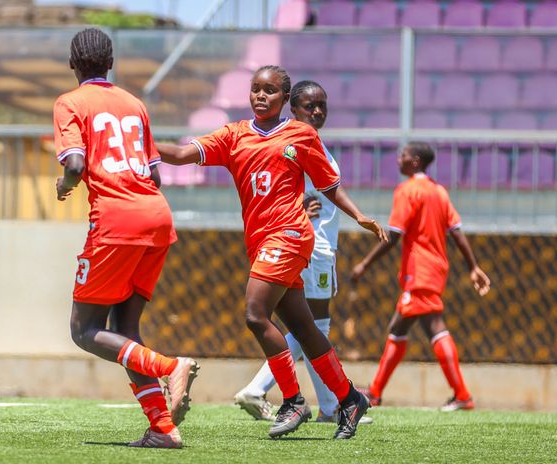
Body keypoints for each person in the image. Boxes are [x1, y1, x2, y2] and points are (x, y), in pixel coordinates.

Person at [158, 65, 387, 440]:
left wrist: (359, 215)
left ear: (284, 99)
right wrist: (143, 147)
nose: (260, 96)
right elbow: (184, 154)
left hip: (291, 237)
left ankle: (293, 400)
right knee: (303, 326)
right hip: (262, 242)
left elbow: (329, 185)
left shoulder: (300, 135)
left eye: (269, 91)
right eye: (255, 89)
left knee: (255, 313)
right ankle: (349, 399)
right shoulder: (233, 135)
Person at [53, 28, 198, 449]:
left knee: (84, 330)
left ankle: (170, 366)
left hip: (116, 222)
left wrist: (65, 184)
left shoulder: (70, 103)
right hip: (156, 218)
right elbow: (153, 172)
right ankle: (163, 429)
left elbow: (76, 164)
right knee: (125, 329)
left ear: (73, 64)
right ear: (111, 63)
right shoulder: (134, 104)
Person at [233, 80, 371, 425]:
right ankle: (268, 389)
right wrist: (300, 212)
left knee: (310, 323)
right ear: (292, 109)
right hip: (310, 244)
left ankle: (328, 405)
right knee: (311, 324)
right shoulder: (294, 141)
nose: (318, 111)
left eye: (322, 105)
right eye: (310, 105)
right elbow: (287, 186)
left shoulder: (310, 142)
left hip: (310, 244)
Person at [350, 142, 491, 412]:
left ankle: (462, 395)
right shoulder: (439, 192)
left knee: (434, 326)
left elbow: (394, 235)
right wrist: (473, 266)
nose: (398, 159)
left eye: (402, 155)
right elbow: (457, 232)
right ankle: (376, 392)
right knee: (399, 328)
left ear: (414, 161)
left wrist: (364, 264)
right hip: (436, 269)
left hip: (419, 270)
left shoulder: (408, 191)